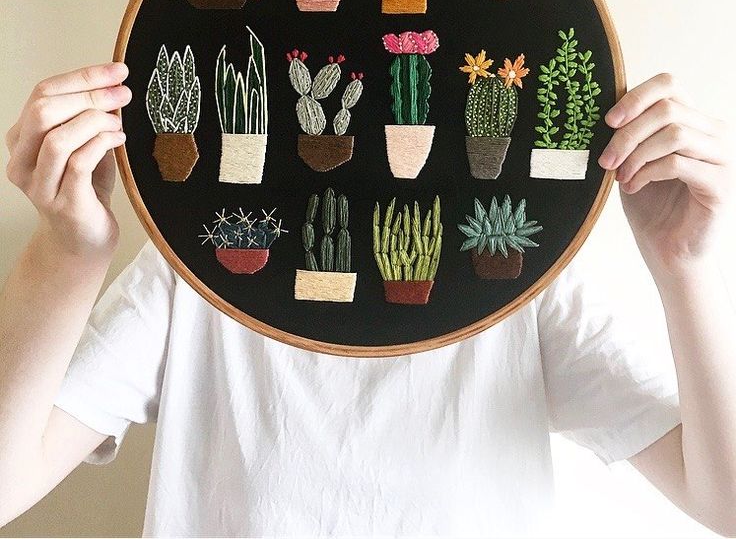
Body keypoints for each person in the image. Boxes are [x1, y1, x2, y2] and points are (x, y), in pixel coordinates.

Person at [0, 61, 734, 538]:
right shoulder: (198, 269)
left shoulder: (523, 281)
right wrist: (67, 253)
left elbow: (724, 499)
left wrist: (685, 266)